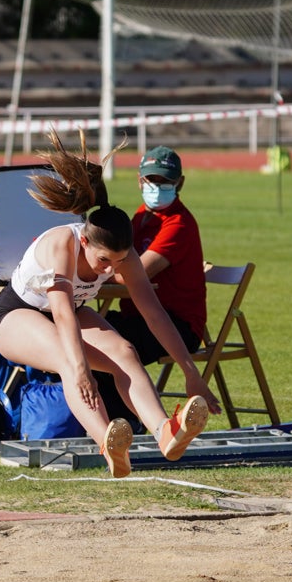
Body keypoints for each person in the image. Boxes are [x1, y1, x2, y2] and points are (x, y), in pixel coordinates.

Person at [0, 130, 220, 478]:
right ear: (84, 240)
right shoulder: (61, 246)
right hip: (18, 315)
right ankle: (107, 442)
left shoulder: (122, 256)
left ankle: (165, 433)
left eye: (120, 260)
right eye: (103, 261)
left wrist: (191, 372)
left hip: (68, 313)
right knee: (68, 358)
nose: (112, 269)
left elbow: (153, 312)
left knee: (124, 353)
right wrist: (81, 369)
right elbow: (64, 314)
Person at [98, 146, 206, 428]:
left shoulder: (178, 224)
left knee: (107, 348)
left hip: (177, 326)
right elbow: (120, 267)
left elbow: (133, 273)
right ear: (139, 181)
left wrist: (99, 268)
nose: (157, 187)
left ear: (179, 183)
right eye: (151, 180)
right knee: (91, 331)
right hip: (141, 316)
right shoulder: (140, 217)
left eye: (165, 181)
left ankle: (125, 424)